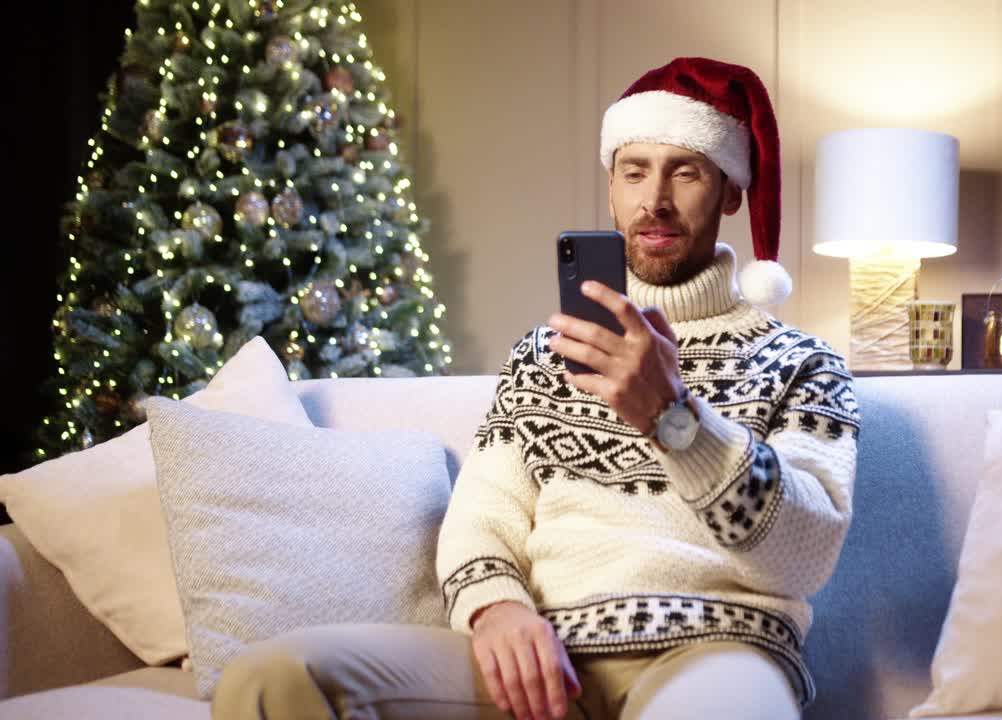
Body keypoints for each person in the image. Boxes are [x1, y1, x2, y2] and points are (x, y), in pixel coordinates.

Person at [213, 56, 860, 720]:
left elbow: (802, 557)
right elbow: (483, 516)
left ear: (730, 192)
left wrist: (676, 417)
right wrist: (496, 610)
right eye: (634, 172)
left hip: (717, 654)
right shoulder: (547, 355)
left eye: (685, 171)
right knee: (271, 680)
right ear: (611, 188)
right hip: (542, 663)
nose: (654, 200)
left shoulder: (801, 364)